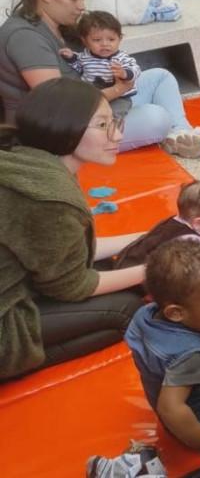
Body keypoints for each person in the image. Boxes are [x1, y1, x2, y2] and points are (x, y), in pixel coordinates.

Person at [0, 78, 146, 380]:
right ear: (64, 128)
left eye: (114, 121)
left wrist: (143, 237)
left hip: (17, 280)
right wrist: (152, 270)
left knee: (115, 267)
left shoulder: (30, 160)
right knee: (128, 311)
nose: (118, 134)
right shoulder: (48, 194)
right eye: (103, 125)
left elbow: (65, 248)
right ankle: (17, 364)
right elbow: (71, 286)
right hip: (6, 319)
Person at [0, 0, 200, 157]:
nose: (81, 6)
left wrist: (120, 79)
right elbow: (59, 104)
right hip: (61, 131)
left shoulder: (60, 26)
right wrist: (116, 91)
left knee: (160, 77)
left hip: (90, 104)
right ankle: (169, 132)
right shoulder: (25, 37)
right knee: (156, 118)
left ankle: (181, 134)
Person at [123, 240, 200, 463]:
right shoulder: (192, 354)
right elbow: (170, 408)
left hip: (185, 411)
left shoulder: (145, 315)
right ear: (176, 313)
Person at [111, 180, 200, 269]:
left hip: (125, 261)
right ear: (198, 222)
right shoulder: (193, 240)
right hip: (140, 282)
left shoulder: (173, 221)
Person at [59, 10, 141, 100]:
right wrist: (71, 57)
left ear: (120, 39)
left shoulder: (121, 57)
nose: (105, 44)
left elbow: (136, 69)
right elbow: (79, 66)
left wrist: (125, 73)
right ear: (84, 41)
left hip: (120, 98)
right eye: (97, 40)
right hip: (92, 97)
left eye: (111, 39)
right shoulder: (85, 56)